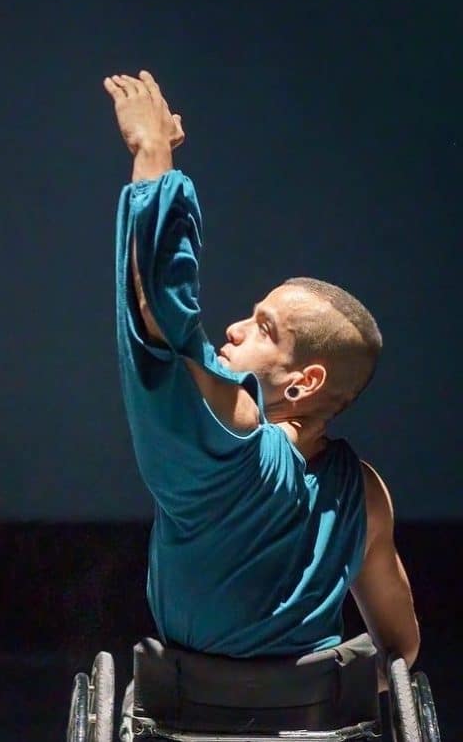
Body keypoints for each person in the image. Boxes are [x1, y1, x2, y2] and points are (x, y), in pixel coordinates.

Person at [101, 70, 419, 719]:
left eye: (264, 327)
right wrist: (305, 693)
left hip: (185, 717)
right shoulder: (366, 495)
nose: (236, 328)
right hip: (314, 724)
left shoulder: (235, 437)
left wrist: (151, 151)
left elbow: (159, 310)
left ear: (303, 383)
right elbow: (401, 649)